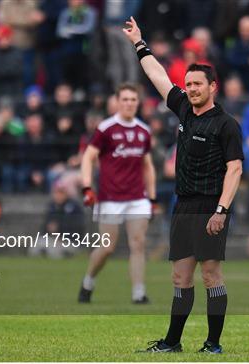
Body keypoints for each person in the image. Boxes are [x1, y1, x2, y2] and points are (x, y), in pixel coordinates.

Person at [123, 17, 244, 354]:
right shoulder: (185, 111)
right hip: (183, 204)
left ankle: (213, 344)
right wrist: (139, 43)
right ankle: (172, 342)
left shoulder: (226, 124)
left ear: (212, 87)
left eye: (197, 84)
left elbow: (235, 169)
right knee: (180, 278)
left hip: (210, 206)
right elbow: (158, 76)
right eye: (188, 84)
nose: (191, 89)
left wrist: (222, 210)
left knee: (210, 276)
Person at [77, 83, 156, 305]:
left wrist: (152, 197)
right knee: (108, 247)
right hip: (110, 198)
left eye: (133, 99)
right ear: (118, 102)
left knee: (138, 243)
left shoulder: (143, 131)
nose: (129, 103)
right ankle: (88, 281)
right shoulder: (106, 129)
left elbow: (148, 166)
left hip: (137, 198)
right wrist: (86, 186)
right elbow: (88, 157)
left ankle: (139, 293)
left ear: (138, 103)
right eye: (125, 99)